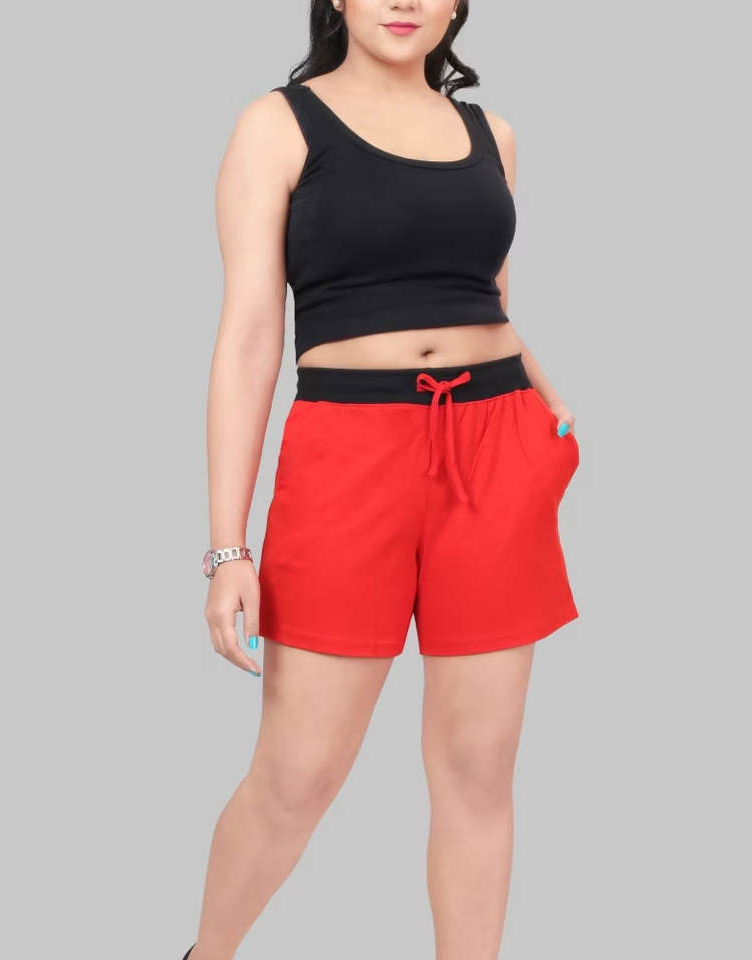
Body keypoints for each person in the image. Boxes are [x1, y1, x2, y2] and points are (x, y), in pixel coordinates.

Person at [184, 2, 580, 958]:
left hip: (496, 448)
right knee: (298, 773)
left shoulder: (492, 135)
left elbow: (485, 298)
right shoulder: (278, 125)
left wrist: (549, 407)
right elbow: (249, 339)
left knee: (478, 768)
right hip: (348, 453)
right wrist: (229, 548)